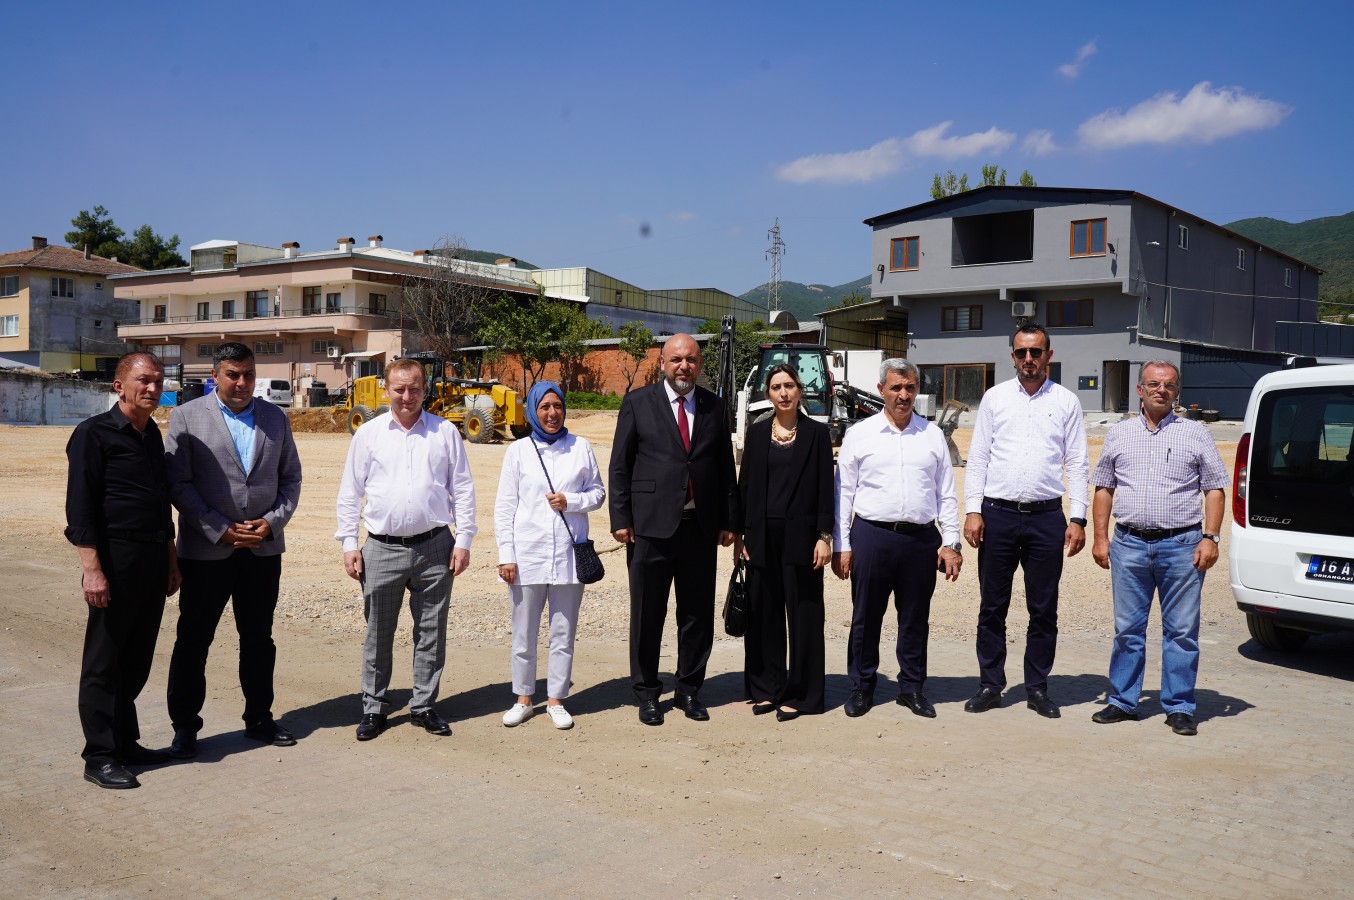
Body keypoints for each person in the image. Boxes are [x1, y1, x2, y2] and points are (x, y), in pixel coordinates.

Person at [164, 342, 303, 758]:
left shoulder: (275, 418)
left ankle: (259, 718)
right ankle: (185, 727)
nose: (241, 383)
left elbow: (291, 479)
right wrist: (218, 529)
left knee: (259, 638)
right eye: (232, 375)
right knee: (194, 639)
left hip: (262, 551)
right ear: (215, 376)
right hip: (207, 553)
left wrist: (271, 522)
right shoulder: (187, 417)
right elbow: (179, 485)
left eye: (248, 375)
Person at [336, 357, 476, 741]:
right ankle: (374, 708)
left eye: (414, 388)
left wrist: (463, 540)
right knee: (378, 632)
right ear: (386, 389)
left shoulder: (445, 432)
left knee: (431, 631)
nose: (407, 396)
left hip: (436, 546)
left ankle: (424, 705)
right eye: (399, 388)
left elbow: (462, 489)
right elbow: (350, 493)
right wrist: (350, 543)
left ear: (424, 388)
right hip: (381, 549)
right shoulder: (369, 434)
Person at [1090, 361, 1227, 736]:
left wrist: (1211, 538)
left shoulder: (1196, 434)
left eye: (1168, 385)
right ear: (1140, 390)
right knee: (1127, 630)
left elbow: (1214, 489)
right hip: (1129, 544)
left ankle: (1180, 705)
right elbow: (1104, 487)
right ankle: (1122, 700)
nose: (1160, 390)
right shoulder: (1119, 434)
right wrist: (1101, 538)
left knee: (1181, 631)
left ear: (1177, 391)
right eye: (1153, 384)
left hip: (1182, 545)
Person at [65, 353, 182, 789]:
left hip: (152, 558)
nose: (151, 388)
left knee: (136, 658)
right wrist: (92, 570)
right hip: (115, 558)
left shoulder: (152, 435)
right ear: (119, 387)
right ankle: (99, 754)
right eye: (143, 381)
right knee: (105, 659)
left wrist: (170, 559)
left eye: (157, 381)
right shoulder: (92, 435)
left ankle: (124, 742)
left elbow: (159, 505)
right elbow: (80, 509)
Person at [609, 333, 739, 726]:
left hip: (700, 527)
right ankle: (648, 693)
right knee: (648, 614)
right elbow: (620, 465)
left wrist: (730, 520)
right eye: (677, 360)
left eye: (692, 360)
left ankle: (689, 690)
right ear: (663, 363)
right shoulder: (637, 403)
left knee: (696, 615)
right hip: (650, 528)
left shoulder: (716, 407)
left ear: (700, 364)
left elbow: (724, 466)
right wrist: (621, 519)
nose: (685, 367)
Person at [962, 324, 1088, 719]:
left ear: (1049, 355)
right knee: (992, 606)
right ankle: (990, 684)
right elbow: (978, 458)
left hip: (1046, 518)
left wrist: (1079, 517)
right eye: (1021, 353)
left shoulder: (1066, 402)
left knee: (1043, 608)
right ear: (1012, 356)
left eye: (1036, 352)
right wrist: (973, 510)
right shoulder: (995, 399)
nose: (1028, 359)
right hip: (997, 516)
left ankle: (1036, 687)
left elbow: (1078, 463)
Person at [833, 358, 961, 719]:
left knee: (915, 619)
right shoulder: (860, 434)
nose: (903, 395)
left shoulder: (932, 435)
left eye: (909, 388)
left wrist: (951, 541)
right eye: (895, 388)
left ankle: (911, 688)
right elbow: (843, 494)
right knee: (866, 617)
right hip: (872, 536)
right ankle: (861, 687)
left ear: (916, 389)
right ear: (881, 391)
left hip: (920, 540)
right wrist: (842, 544)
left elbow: (946, 494)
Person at [494, 382, 605, 730]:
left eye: (557, 406)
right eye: (544, 407)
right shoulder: (519, 451)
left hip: (569, 557)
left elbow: (599, 494)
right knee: (523, 632)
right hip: (527, 554)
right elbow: (504, 507)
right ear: (531, 411)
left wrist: (571, 501)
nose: (552, 414)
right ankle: (524, 698)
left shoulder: (581, 447)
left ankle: (556, 699)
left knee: (563, 631)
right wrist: (506, 555)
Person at [735, 365, 834, 721]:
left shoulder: (817, 435)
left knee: (805, 617)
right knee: (764, 616)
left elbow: (826, 489)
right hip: (761, 538)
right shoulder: (758, 433)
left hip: (803, 540)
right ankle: (765, 688)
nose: (783, 393)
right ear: (768, 393)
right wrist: (740, 535)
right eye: (776, 387)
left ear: (799, 390)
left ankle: (804, 694)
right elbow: (744, 486)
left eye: (789, 385)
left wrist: (825, 537)